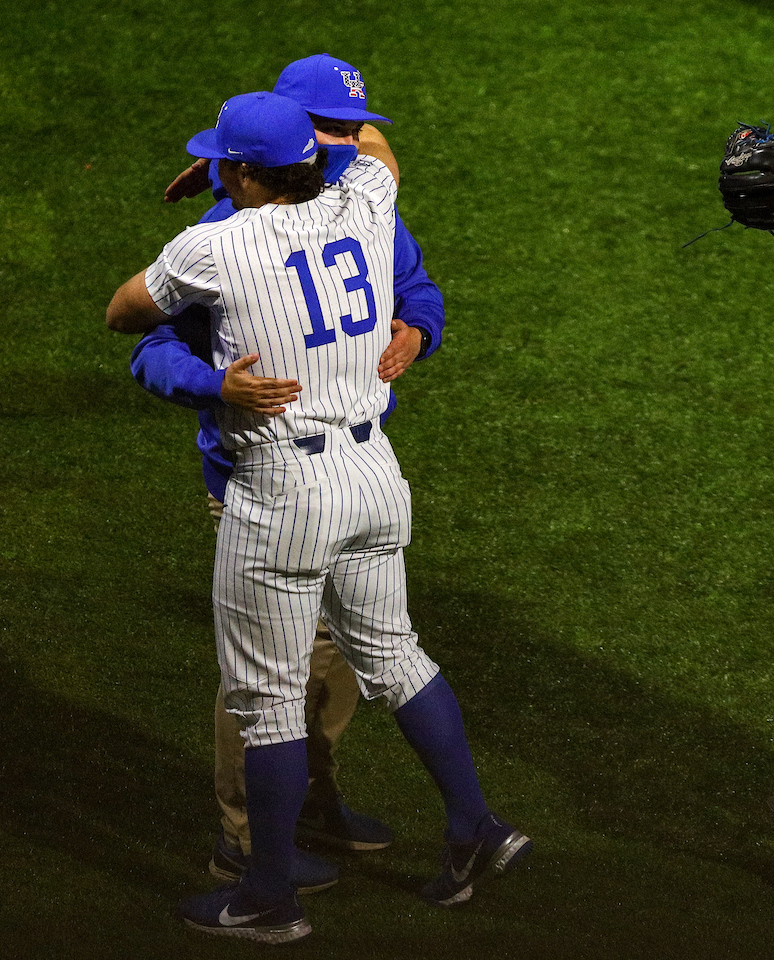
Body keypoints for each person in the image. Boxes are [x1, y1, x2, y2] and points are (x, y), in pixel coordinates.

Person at [107, 92, 529, 943]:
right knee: (398, 655)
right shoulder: (367, 201)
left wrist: (218, 197)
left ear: (245, 174)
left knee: (264, 699)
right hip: (376, 472)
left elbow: (123, 314)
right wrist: (276, 164)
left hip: (282, 487)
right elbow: (375, 147)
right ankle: (475, 827)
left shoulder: (212, 244)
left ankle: (265, 895)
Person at [130, 53, 446, 894]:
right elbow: (149, 342)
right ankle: (243, 839)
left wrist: (419, 326)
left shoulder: (357, 202)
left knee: (337, 662)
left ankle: (305, 800)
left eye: (350, 130)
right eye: (329, 132)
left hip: (344, 474)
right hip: (257, 480)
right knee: (272, 676)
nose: (345, 144)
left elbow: (414, 283)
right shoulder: (224, 229)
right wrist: (212, 382)